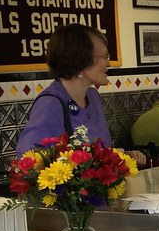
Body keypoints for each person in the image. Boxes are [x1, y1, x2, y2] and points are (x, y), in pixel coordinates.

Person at [17, 24, 114, 155]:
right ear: (80, 60)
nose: (108, 63)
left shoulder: (93, 96)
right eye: (104, 57)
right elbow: (28, 160)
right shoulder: (50, 103)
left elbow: (101, 153)